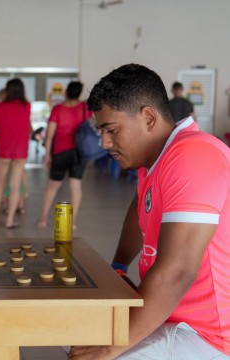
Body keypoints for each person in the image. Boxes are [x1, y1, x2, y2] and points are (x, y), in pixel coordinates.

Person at [68, 64, 230, 359]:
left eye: (111, 130)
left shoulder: (193, 155)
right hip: (172, 316)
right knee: (80, 333)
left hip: (209, 335)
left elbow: (178, 272)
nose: (105, 143)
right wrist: (118, 266)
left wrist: (106, 350)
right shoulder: (157, 162)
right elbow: (140, 205)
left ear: (148, 117)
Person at [37, 81, 92, 229]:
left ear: (66, 92)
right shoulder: (84, 108)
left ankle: (42, 219)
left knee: (52, 186)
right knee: (76, 186)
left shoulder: (58, 109)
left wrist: (47, 155)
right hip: (79, 153)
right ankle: (72, 222)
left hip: (60, 152)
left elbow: (49, 135)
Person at [0, 78, 31, 229]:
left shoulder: (0, 108)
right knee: (15, 186)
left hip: (3, 150)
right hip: (20, 151)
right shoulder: (27, 106)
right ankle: (10, 220)